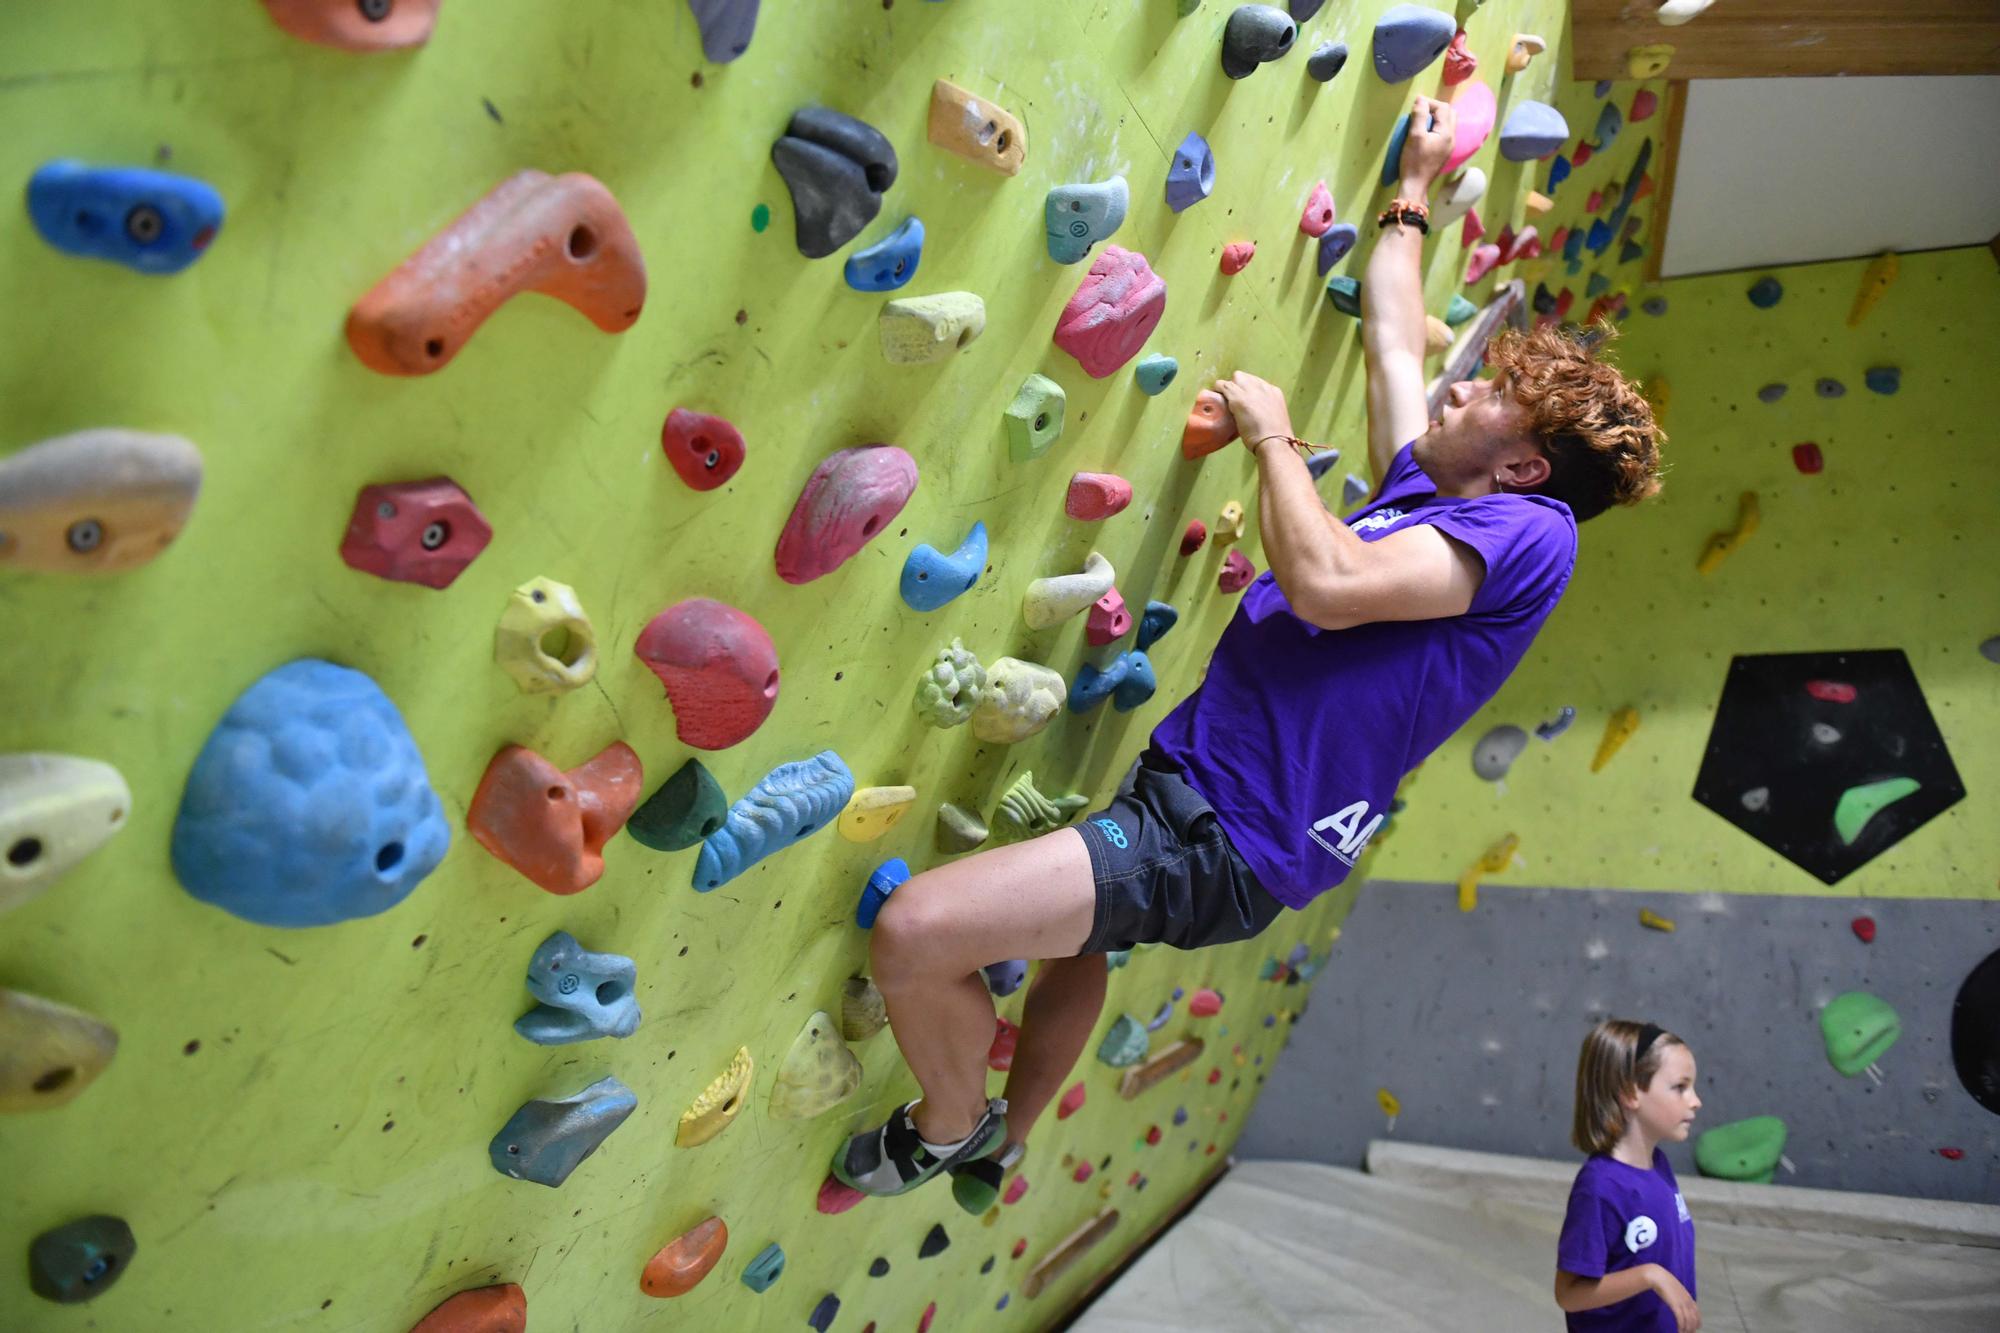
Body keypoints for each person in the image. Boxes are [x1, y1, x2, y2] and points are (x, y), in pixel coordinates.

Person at [831, 94, 1665, 1205]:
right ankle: (1011, 1134)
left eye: (1486, 394)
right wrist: (1412, 191)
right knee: (1087, 939)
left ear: (1520, 469)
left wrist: (1270, 434)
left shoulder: (1530, 535)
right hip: (1215, 786)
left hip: (1230, 829)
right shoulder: (1439, 484)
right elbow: (1387, 333)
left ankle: (944, 1123)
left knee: (915, 929)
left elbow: (1324, 584)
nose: (1456, 378)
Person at [1556, 1020, 1703, 1332]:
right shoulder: (1599, 1187)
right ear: (1629, 1092)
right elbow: (1568, 1294)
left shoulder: (1659, 1167)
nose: (1695, 1100)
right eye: (1680, 1087)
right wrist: (1650, 1275)